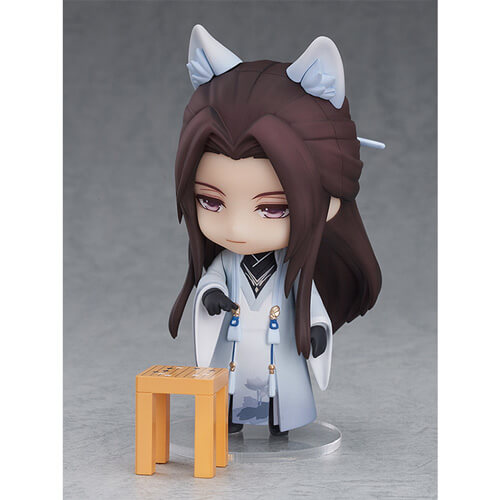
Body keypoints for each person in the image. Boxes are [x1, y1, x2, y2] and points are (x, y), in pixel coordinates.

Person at [169, 25, 383, 436]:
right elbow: (211, 283)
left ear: (331, 200)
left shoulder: (292, 269)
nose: (236, 228)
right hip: (234, 355)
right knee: (229, 401)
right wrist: (211, 296)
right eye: (210, 201)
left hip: (277, 356)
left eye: (272, 208)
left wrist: (316, 331)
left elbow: (312, 305)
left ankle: (279, 425)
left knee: (279, 402)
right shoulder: (227, 264)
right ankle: (230, 423)